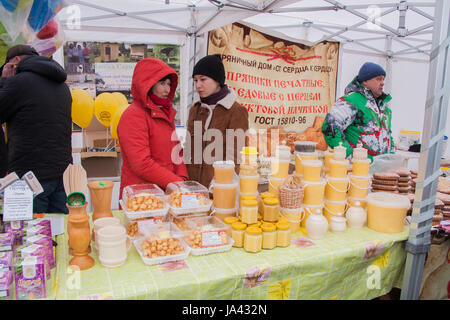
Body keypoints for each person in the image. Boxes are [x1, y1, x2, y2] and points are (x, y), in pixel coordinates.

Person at [0, 45, 72, 213]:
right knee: (60, 229)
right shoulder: (61, 85)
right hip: (62, 171)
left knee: (34, 233)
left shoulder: (18, 83)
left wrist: (4, 81)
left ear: (15, 61)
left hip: (30, 174)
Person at [117, 58, 188, 198]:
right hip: (141, 196)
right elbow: (141, 163)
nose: (167, 89)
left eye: (169, 84)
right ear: (147, 84)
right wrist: (175, 182)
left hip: (167, 192)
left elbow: (177, 151)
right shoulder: (133, 116)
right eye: (162, 83)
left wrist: (182, 178)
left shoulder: (165, 113)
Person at [185, 54, 249, 188]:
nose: (198, 85)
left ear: (217, 80)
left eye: (203, 79)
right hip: (192, 188)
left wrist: (221, 186)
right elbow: (188, 150)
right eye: (195, 80)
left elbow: (235, 158)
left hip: (219, 188)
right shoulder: (195, 109)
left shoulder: (236, 111)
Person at [322, 62, 395, 161]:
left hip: (381, 169)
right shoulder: (352, 100)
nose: (382, 83)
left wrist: (392, 157)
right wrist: (350, 155)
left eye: (383, 79)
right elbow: (330, 126)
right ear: (365, 81)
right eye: (378, 79)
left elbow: (388, 134)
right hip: (357, 169)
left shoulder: (384, 107)